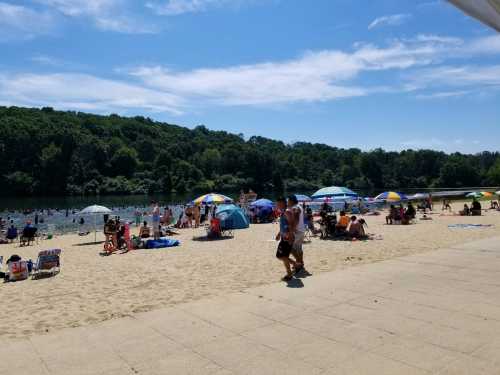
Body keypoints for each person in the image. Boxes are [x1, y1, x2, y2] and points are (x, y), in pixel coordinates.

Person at [275, 197, 297, 282]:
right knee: (280, 256)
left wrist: (290, 236)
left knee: (283, 256)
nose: (277, 205)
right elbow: (284, 225)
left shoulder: (287, 211)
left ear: (283, 203)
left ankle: (289, 274)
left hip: (288, 238)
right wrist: (279, 234)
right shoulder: (283, 212)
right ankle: (296, 265)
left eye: (278, 204)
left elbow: (292, 224)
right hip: (284, 237)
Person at [288, 195, 305, 273]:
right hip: (301, 230)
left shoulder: (295, 208)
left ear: (291, 201)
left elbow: (297, 218)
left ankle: (298, 264)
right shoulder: (299, 206)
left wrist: (293, 229)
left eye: (288, 201)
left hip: (297, 231)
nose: (287, 202)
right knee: (299, 249)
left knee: (290, 248)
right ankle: (301, 263)